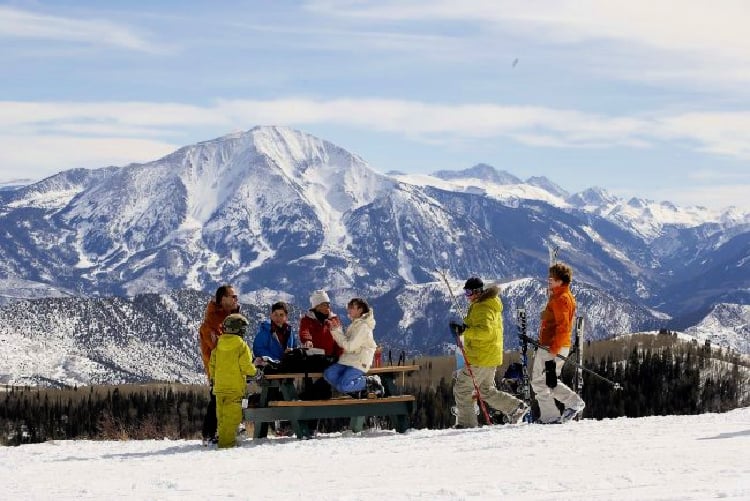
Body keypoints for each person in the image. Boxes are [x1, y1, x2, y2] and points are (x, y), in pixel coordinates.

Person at [450, 277, 528, 428]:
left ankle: (466, 424)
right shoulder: (488, 304)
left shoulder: (482, 307)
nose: (467, 296)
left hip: (480, 357)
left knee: (462, 389)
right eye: (465, 292)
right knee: (485, 390)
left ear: (478, 292)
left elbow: (485, 332)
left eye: (468, 292)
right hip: (489, 356)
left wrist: (465, 331)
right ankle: (515, 408)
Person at [531, 263, 586, 424]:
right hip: (555, 345)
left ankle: (553, 415)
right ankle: (568, 405)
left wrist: (554, 349)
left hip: (552, 347)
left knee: (540, 381)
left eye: (552, 279)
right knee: (549, 380)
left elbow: (563, 327)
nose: (549, 281)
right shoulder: (561, 296)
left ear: (561, 281)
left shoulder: (561, 299)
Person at [198, 284, 240, 445]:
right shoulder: (211, 322)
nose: (236, 299)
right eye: (232, 296)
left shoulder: (232, 317)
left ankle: (227, 429)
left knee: (229, 398)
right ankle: (209, 434)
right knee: (216, 399)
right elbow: (217, 346)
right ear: (222, 299)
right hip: (217, 368)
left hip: (231, 367)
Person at [209, 313, 256, 449]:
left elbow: (212, 365)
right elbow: (246, 366)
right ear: (239, 329)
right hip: (234, 389)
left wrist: (213, 380)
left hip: (219, 389)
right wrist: (256, 373)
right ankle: (226, 445)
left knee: (222, 417)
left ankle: (223, 440)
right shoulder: (242, 346)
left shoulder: (218, 345)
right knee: (232, 418)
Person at [323, 298, 383, 398]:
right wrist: (335, 330)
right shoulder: (354, 325)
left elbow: (349, 346)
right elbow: (346, 341)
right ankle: (355, 389)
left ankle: (370, 381)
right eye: (349, 307)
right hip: (348, 360)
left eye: (352, 308)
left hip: (359, 362)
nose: (348, 310)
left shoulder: (363, 327)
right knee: (329, 374)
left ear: (360, 310)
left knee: (343, 385)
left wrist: (336, 331)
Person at [299, 290, 343, 357]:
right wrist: (307, 340)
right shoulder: (307, 320)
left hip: (331, 356)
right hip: (315, 356)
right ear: (317, 307)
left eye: (328, 304)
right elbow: (305, 331)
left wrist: (340, 355)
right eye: (324, 305)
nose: (328, 307)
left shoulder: (334, 319)